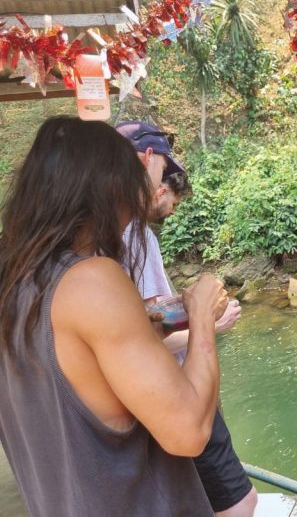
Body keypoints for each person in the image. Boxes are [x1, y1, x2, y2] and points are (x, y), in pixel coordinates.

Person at [0, 116, 227, 516]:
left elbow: (75, 365)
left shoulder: (13, 281)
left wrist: (151, 320)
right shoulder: (93, 280)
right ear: (109, 190)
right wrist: (203, 315)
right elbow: (188, 430)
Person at [117, 121, 258, 517]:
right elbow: (146, 337)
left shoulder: (101, 240)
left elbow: (146, 318)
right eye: (169, 193)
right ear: (151, 169)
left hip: (158, 396)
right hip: (176, 388)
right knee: (238, 502)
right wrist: (205, 324)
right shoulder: (135, 237)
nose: (170, 208)